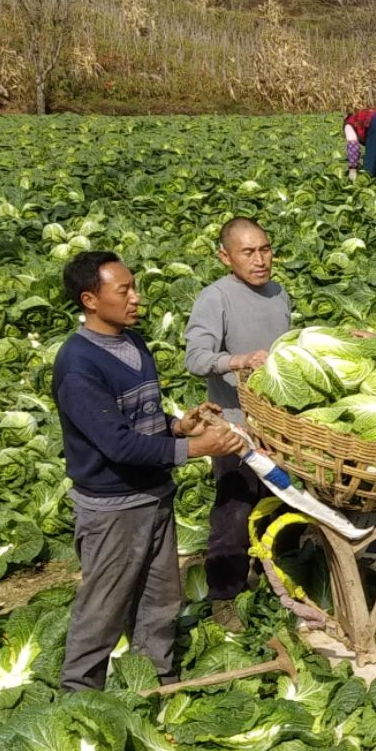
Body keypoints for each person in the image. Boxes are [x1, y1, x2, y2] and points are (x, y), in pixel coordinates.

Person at [51, 252, 241, 692]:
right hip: (113, 508)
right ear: (90, 300)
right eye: (124, 291)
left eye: (135, 286)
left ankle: (155, 684)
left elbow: (144, 421)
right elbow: (117, 444)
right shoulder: (78, 365)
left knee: (161, 599)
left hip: (155, 495)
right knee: (104, 608)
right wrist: (196, 447)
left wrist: (179, 426)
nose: (136, 298)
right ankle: (79, 698)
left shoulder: (134, 344)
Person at [183, 216, 292, 624]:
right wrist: (238, 361)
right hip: (235, 428)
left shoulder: (279, 293)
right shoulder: (216, 298)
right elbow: (195, 358)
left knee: (285, 505)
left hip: (280, 426)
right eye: (248, 252)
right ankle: (223, 596)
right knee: (233, 510)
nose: (260, 259)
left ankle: (278, 582)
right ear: (225, 256)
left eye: (265, 249)